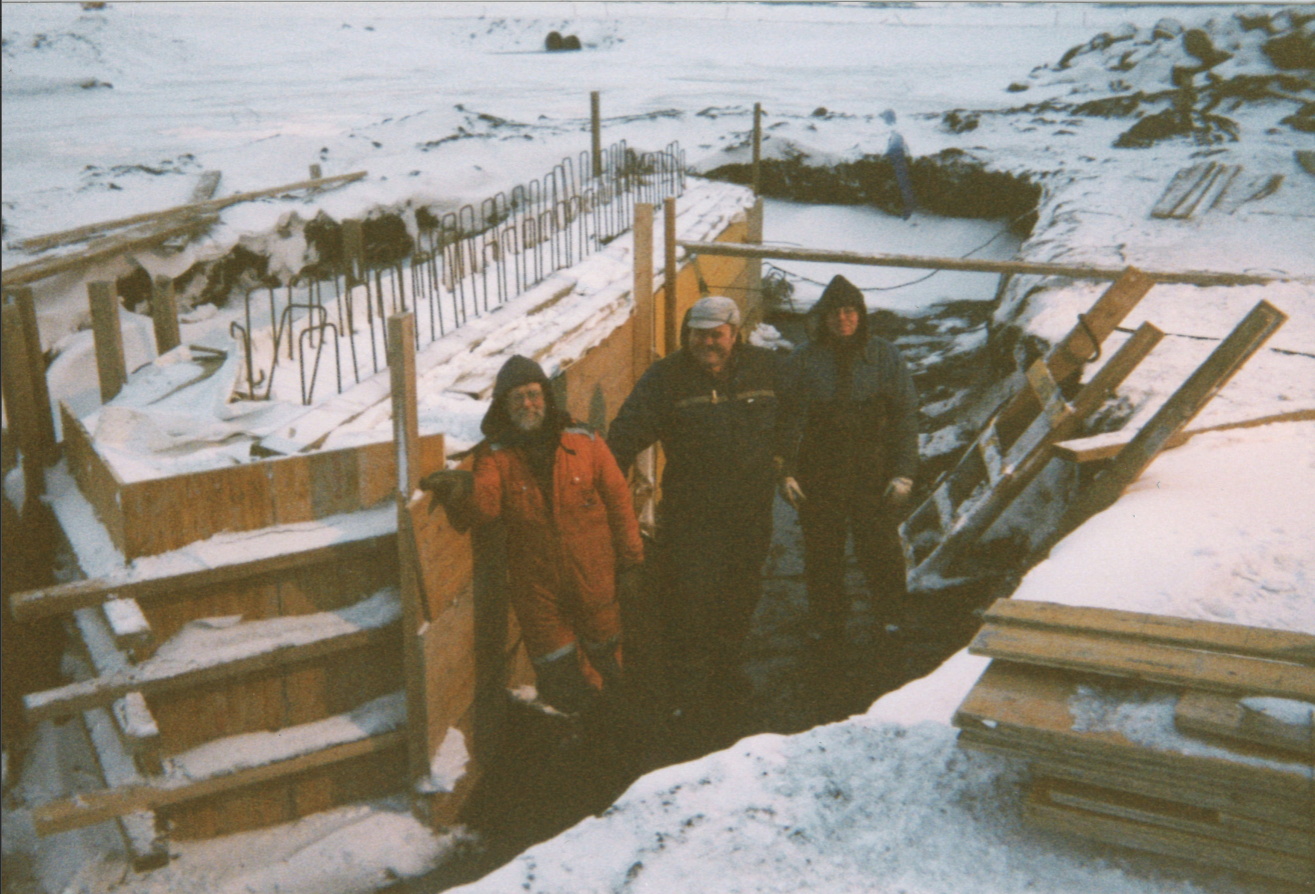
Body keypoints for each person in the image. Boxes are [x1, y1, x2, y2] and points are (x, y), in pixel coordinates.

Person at [422, 355, 643, 717]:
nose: (527, 404)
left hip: (595, 578)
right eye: (516, 398)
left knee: (609, 664)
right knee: (560, 678)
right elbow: (486, 507)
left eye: (533, 394)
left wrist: (633, 563)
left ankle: (615, 731)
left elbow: (619, 500)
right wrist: (463, 490)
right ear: (504, 407)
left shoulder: (585, 441)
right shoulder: (496, 456)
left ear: (546, 397)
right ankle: (579, 736)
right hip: (539, 591)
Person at [607, 295, 785, 741]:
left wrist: (788, 459)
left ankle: (727, 671)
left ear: (735, 334)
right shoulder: (666, 379)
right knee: (689, 596)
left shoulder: (766, 368)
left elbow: (799, 413)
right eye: (697, 334)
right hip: (692, 513)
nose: (706, 343)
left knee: (742, 588)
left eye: (716, 334)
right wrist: (604, 494)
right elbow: (624, 435)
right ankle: (686, 692)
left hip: (750, 509)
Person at [778, 274, 919, 644]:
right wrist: (787, 472)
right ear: (822, 317)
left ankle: (891, 614)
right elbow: (787, 419)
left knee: (880, 546)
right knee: (822, 550)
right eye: (834, 312)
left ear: (861, 314)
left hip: (872, 468)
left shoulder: (885, 356)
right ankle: (827, 620)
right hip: (820, 471)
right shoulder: (804, 360)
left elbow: (905, 416)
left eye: (850, 310)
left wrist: (903, 473)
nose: (842, 319)